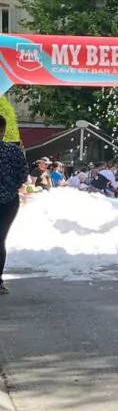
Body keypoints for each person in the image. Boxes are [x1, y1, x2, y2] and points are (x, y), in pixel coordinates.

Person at [0, 115, 29, 296]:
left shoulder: (12, 151)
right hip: (9, 200)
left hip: (8, 201)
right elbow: (23, 174)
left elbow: (22, 174)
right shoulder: (13, 151)